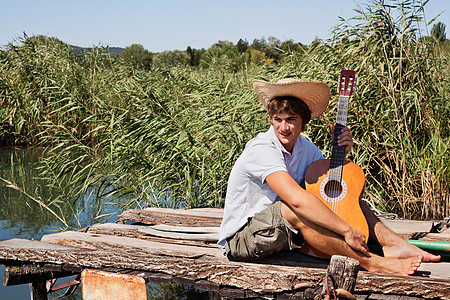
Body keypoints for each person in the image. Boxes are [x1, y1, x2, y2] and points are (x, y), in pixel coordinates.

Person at [217, 78, 440, 275]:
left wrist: (342, 154)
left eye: (291, 119)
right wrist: (347, 231)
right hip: (243, 241)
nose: (283, 127)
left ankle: (393, 243)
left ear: (303, 121)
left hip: (282, 236)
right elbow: (296, 199)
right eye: (278, 119)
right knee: (294, 207)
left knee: (350, 198)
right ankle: (373, 263)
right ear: (271, 120)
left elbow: (328, 190)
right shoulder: (261, 149)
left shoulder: (308, 150)